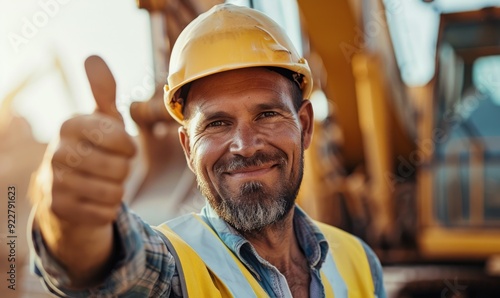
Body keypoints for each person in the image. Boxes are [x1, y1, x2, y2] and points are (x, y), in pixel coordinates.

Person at [29, 4, 386, 297]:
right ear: (187, 147)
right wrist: (70, 224)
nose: (246, 146)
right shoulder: (178, 266)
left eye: (267, 114)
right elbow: (111, 268)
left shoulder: (359, 262)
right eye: (217, 123)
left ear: (305, 125)